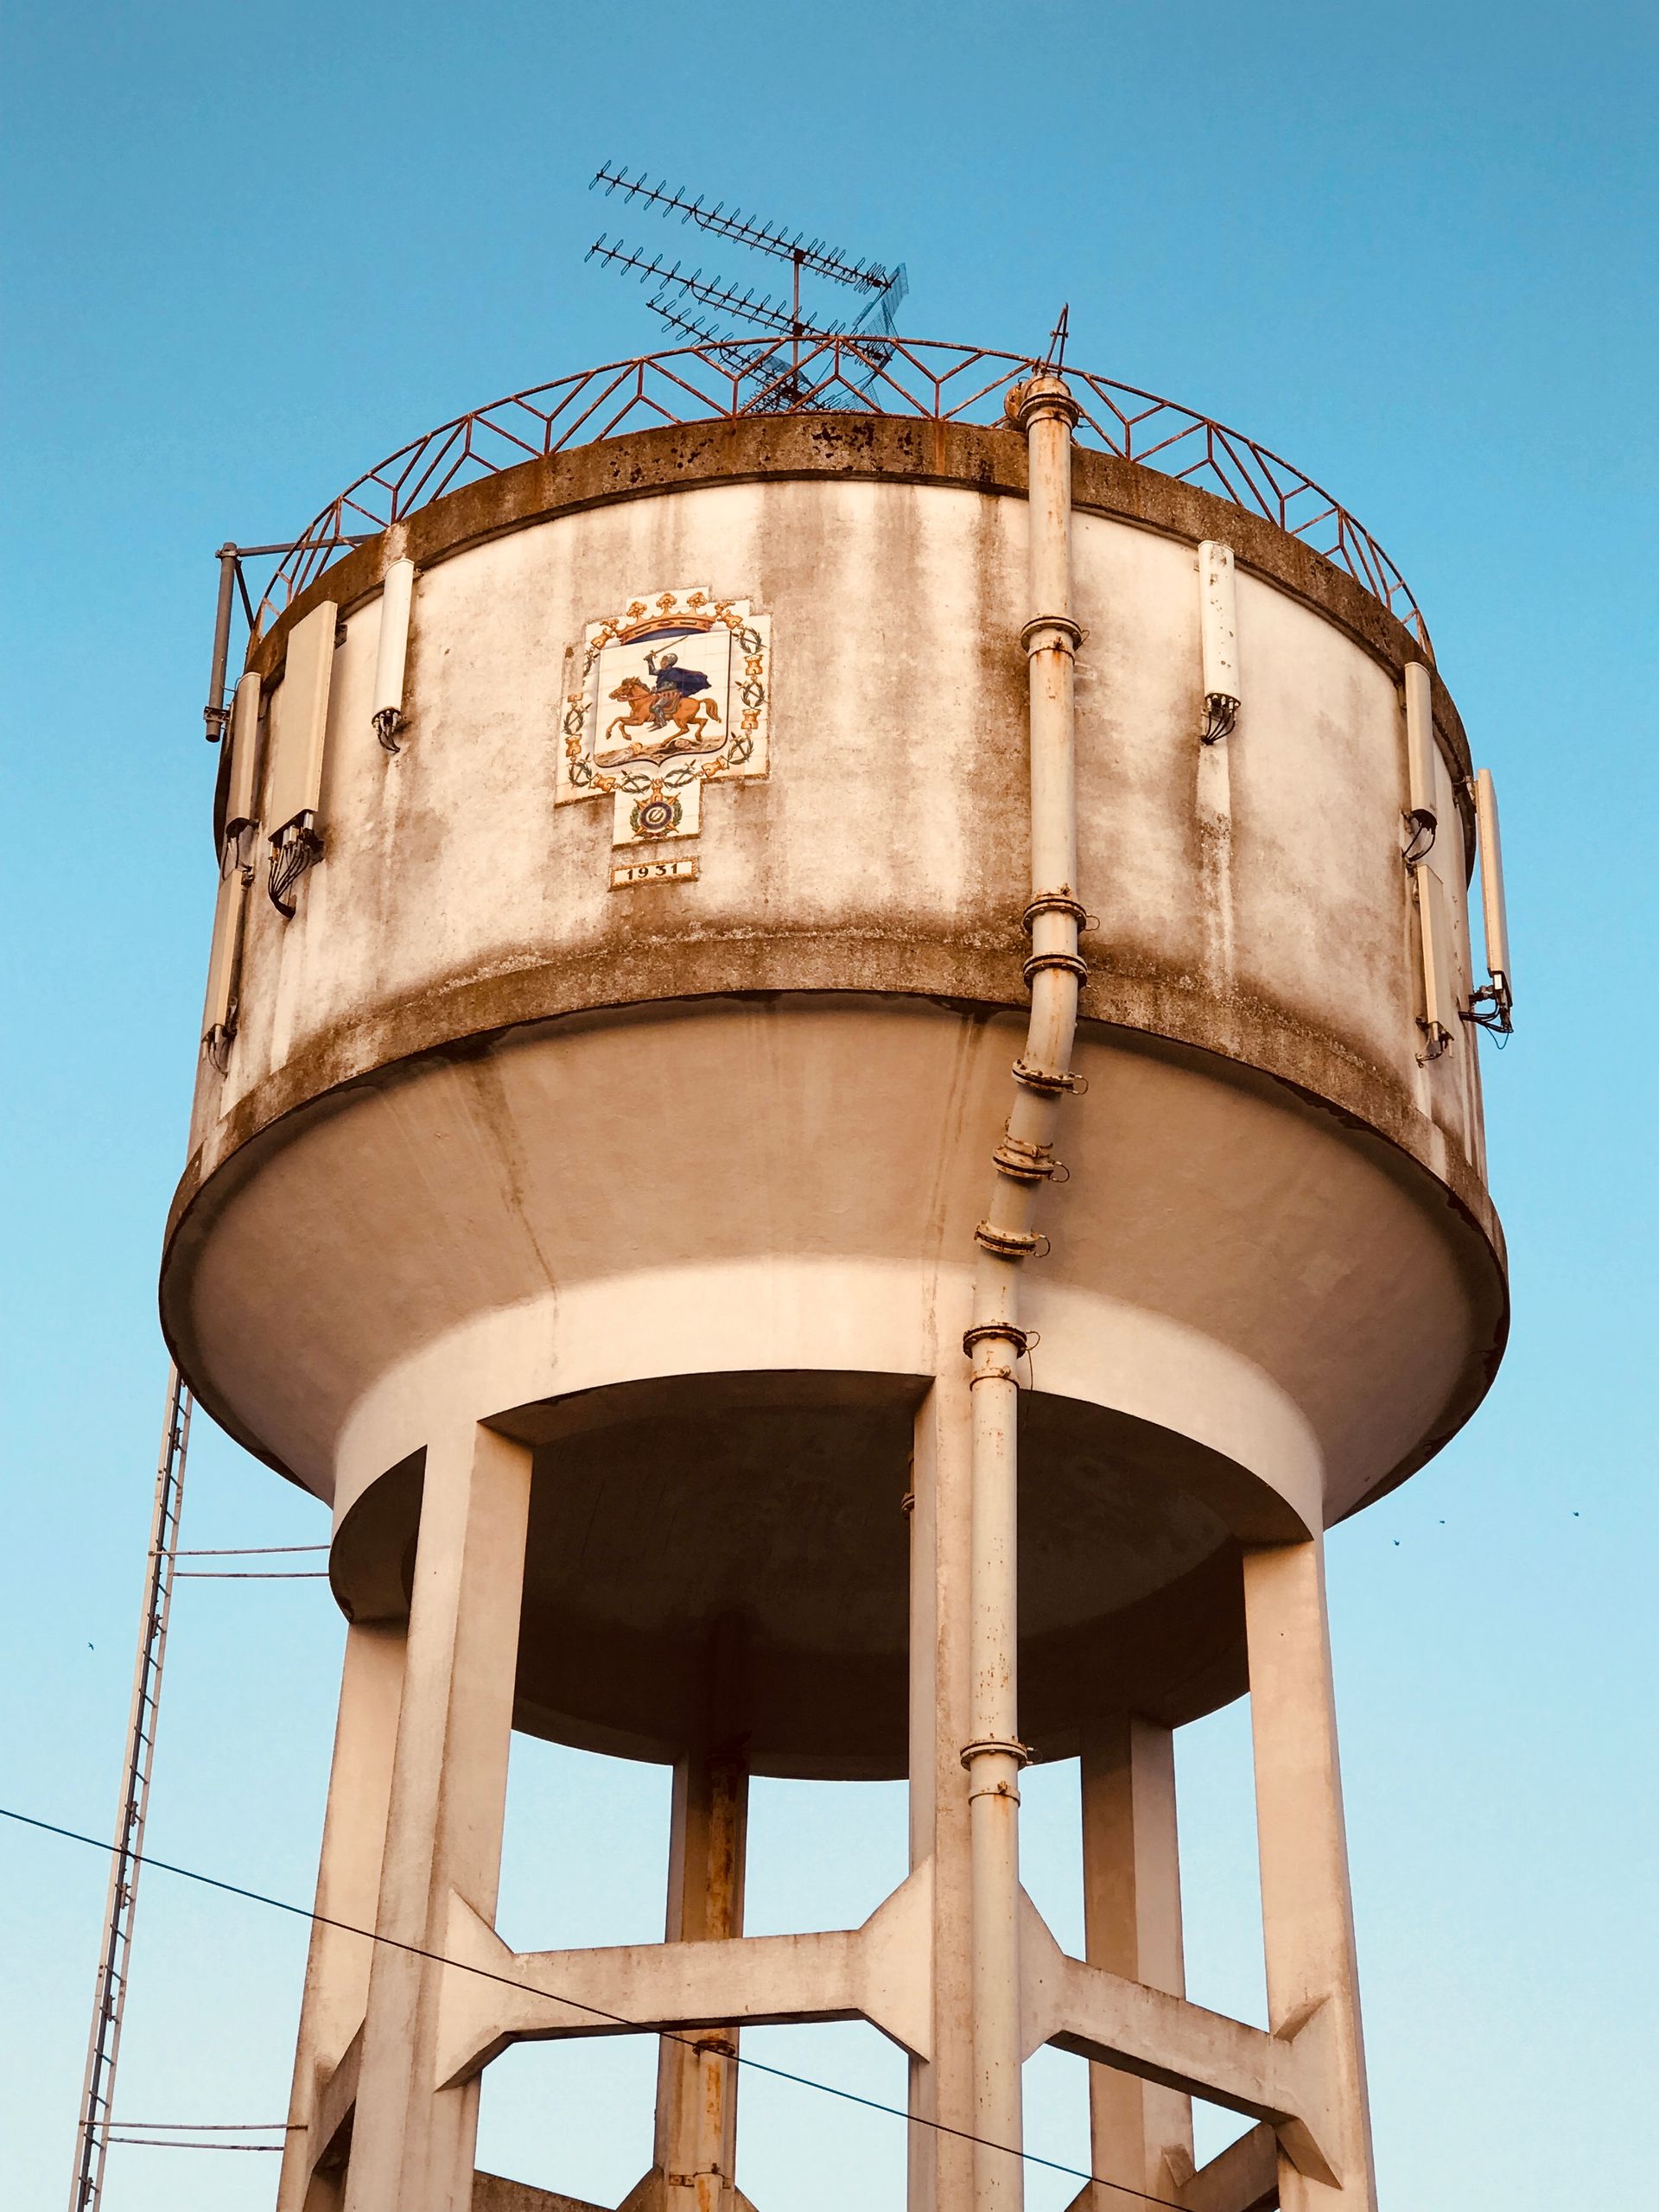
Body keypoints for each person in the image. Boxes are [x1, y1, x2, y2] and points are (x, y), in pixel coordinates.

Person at [643, 645, 710, 728]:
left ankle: (662, 722)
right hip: (663, 693)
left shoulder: (673, 672)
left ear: (667, 663)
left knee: (656, 707)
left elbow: (671, 686)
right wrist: (649, 661)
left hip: (670, 694)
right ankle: (657, 721)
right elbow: (653, 671)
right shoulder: (664, 671)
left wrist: (657, 691)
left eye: (663, 660)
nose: (661, 662)